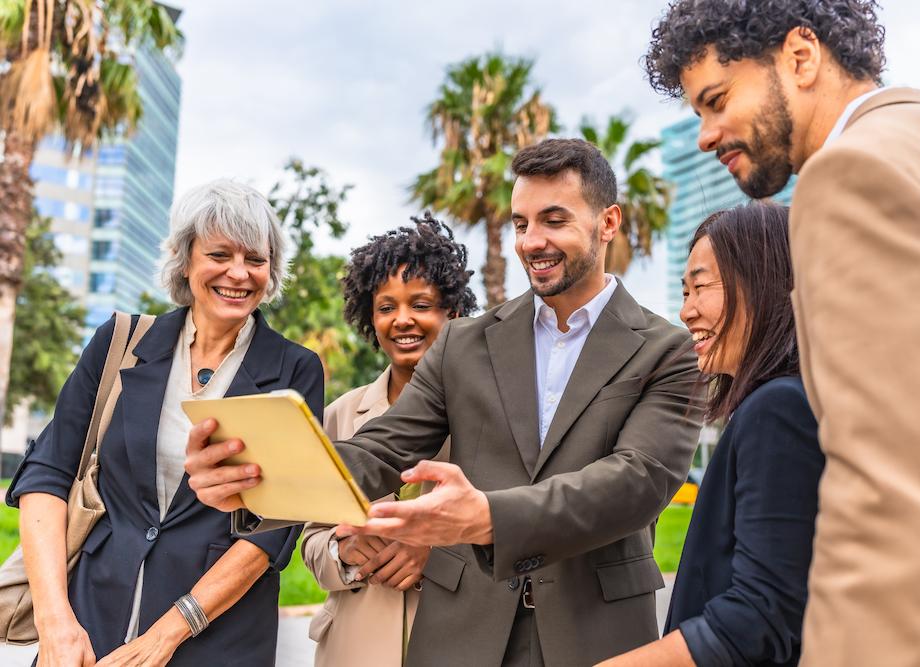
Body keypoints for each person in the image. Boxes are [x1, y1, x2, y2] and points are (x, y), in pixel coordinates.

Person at [186, 138, 704, 665]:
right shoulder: (463, 344)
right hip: (462, 636)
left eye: (554, 220)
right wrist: (258, 476)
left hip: (597, 635)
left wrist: (488, 518)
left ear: (608, 222)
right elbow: (381, 450)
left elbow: (637, 482)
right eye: (521, 224)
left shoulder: (668, 350)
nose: (532, 242)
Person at [644, 2, 920, 665]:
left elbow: (891, 509)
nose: (705, 136)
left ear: (801, 57)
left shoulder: (854, 173)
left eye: (717, 101)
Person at [6, 179, 324, 666]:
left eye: (255, 259)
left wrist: (167, 634)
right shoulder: (121, 342)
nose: (239, 273)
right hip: (87, 630)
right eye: (219, 254)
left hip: (217, 642)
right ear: (185, 259)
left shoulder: (294, 369)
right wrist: (56, 624)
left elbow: (274, 528)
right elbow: (48, 473)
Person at [601, 202, 824, 666]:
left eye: (700, 287)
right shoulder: (787, 400)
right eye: (684, 292)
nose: (686, 311)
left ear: (763, 282)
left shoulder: (777, 409)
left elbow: (761, 615)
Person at [300, 213, 477, 667]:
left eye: (421, 304)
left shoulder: (488, 415)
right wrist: (343, 553)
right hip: (352, 647)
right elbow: (310, 540)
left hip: (454, 642)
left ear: (453, 313)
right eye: (385, 308)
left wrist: (434, 553)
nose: (402, 320)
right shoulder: (340, 415)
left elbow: (513, 528)